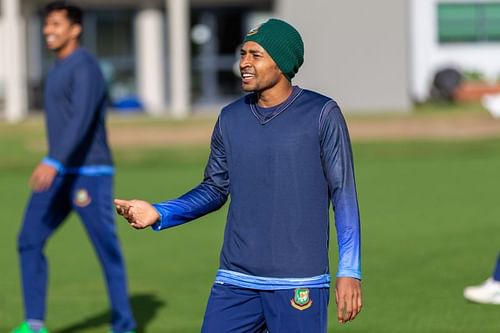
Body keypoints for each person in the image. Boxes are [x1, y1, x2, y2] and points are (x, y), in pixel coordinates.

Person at [115, 18, 362, 332]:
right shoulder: (230, 118)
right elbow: (215, 189)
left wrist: (349, 271)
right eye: (242, 54)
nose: (244, 63)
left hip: (299, 282)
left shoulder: (322, 114)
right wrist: (160, 212)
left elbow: (343, 195)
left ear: (282, 62)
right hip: (235, 280)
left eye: (255, 55)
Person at [12, 2, 136, 333]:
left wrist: (54, 159)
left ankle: (124, 325)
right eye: (46, 24)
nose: (47, 30)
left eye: (55, 24)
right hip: (59, 173)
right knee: (28, 239)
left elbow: (80, 120)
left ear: (75, 28)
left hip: (89, 173)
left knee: (105, 250)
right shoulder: (57, 69)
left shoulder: (86, 68)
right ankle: (34, 324)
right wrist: (56, 163)